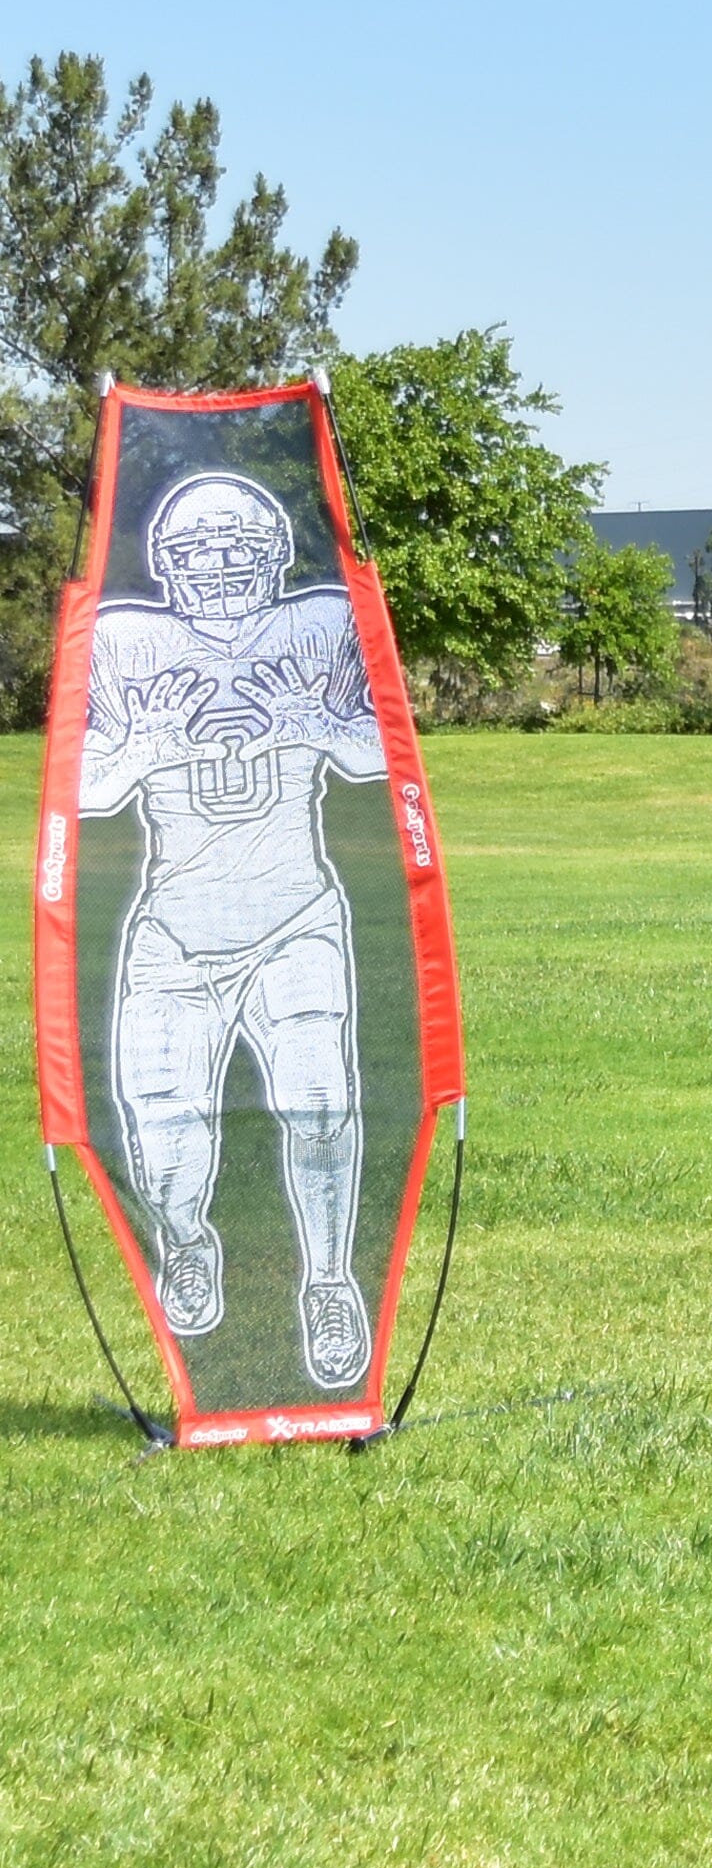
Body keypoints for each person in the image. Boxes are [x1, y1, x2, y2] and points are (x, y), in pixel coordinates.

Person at [84, 470, 385, 1389]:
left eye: (237, 550)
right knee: (164, 1125)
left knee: (322, 1103)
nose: (217, 570)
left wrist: (315, 721)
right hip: (176, 931)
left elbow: (385, 754)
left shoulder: (321, 624)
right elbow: (80, 787)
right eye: (196, 554)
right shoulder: (123, 639)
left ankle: (329, 1284)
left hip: (294, 917)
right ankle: (185, 1240)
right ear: (165, 565)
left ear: (276, 556)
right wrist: (142, 748)